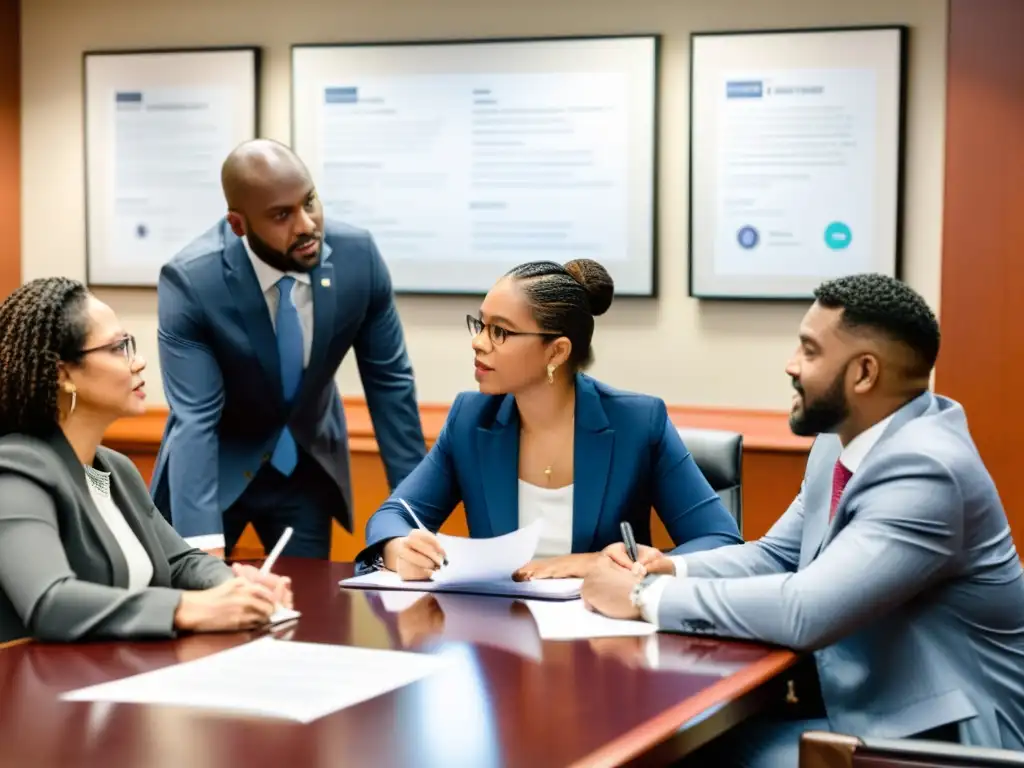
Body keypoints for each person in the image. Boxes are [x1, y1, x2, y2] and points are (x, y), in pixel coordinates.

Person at [582, 273, 1024, 764]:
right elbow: (779, 555)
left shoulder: (926, 470)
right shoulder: (840, 440)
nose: (791, 365)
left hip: (934, 745)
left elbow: (805, 610)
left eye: (810, 351)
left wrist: (643, 597)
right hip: (852, 711)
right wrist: (669, 567)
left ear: (863, 373)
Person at [357, 259, 742, 581]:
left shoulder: (638, 423)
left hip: (606, 641)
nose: (478, 342)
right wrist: (397, 549)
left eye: (500, 331)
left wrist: (605, 565)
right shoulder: (470, 420)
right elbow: (393, 516)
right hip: (500, 641)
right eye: (481, 325)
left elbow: (720, 540)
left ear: (556, 352)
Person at [151, 139, 427, 560]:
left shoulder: (358, 258)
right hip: (215, 469)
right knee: (204, 606)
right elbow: (195, 419)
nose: (306, 225)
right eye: (282, 215)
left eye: (309, 201)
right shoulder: (193, 280)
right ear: (239, 225)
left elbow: (391, 386)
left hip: (305, 468)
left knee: (307, 610)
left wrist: (412, 515)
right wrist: (200, 550)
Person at [0, 278, 293, 644]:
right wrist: (187, 608)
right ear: (63, 373)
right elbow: (50, 601)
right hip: (36, 691)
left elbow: (180, 561)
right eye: (118, 348)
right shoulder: (12, 472)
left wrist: (235, 586)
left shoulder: (115, 468)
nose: (137, 362)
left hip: (115, 676)